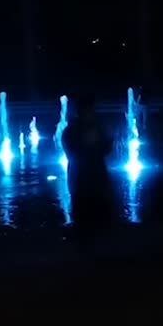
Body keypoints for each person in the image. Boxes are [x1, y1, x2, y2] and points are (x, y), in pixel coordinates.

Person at [61, 94, 113, 247]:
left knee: (94, 217)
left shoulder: (93, 128)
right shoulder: (73, 131)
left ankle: (92, 247)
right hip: (83, 180)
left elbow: (106, 147)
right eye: (89, 110)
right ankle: (86, 247)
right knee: (84, 217)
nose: (91, 113)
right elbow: (73, 153)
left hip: (92, 179)